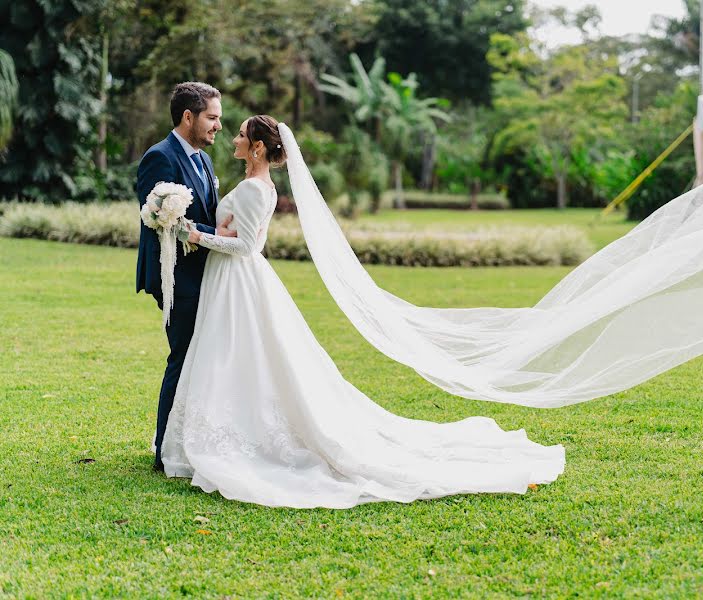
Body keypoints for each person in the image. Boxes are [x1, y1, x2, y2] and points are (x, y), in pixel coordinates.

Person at [160, 115, 565, 508]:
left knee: (234, 356)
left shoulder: (254, 188)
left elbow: (248, 247)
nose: (234, 139)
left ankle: (231, 436)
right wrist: (216, 232)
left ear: (259, 146)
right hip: (232, 281)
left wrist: (195, 234)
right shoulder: (254, 185)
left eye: (242, 134)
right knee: (237, 358)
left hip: (238, 282)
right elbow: (238, 233)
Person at [135, 82, 237, 472]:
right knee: (183, 356)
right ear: (188, 117)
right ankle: (165, 449)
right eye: (212, 118)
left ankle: (190, 440)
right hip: (176, 276)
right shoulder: (159, 158)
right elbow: (160, 221)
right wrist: (213, 236)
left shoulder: (204, 161)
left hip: (205, 271)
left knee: (201, 357)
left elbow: (206, 214)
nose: (218, 127)